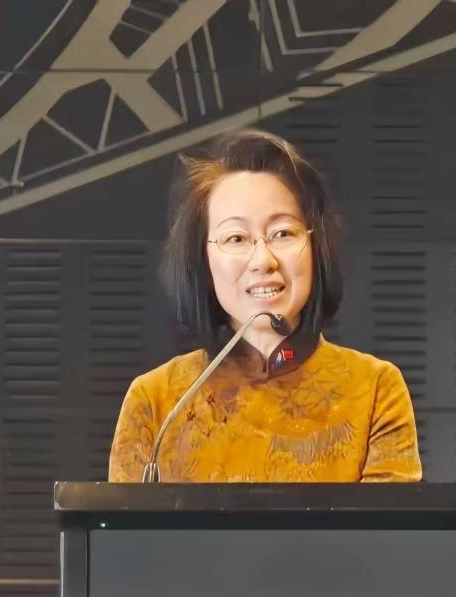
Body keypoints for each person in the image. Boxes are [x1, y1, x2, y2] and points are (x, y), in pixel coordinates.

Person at [108, 129, 422, 482]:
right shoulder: (156, 401)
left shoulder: (375, 389)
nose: (263, 260)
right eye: (236, 238)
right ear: (202, 260)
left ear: (316, 247)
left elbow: (387, 520)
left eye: (282, 233)